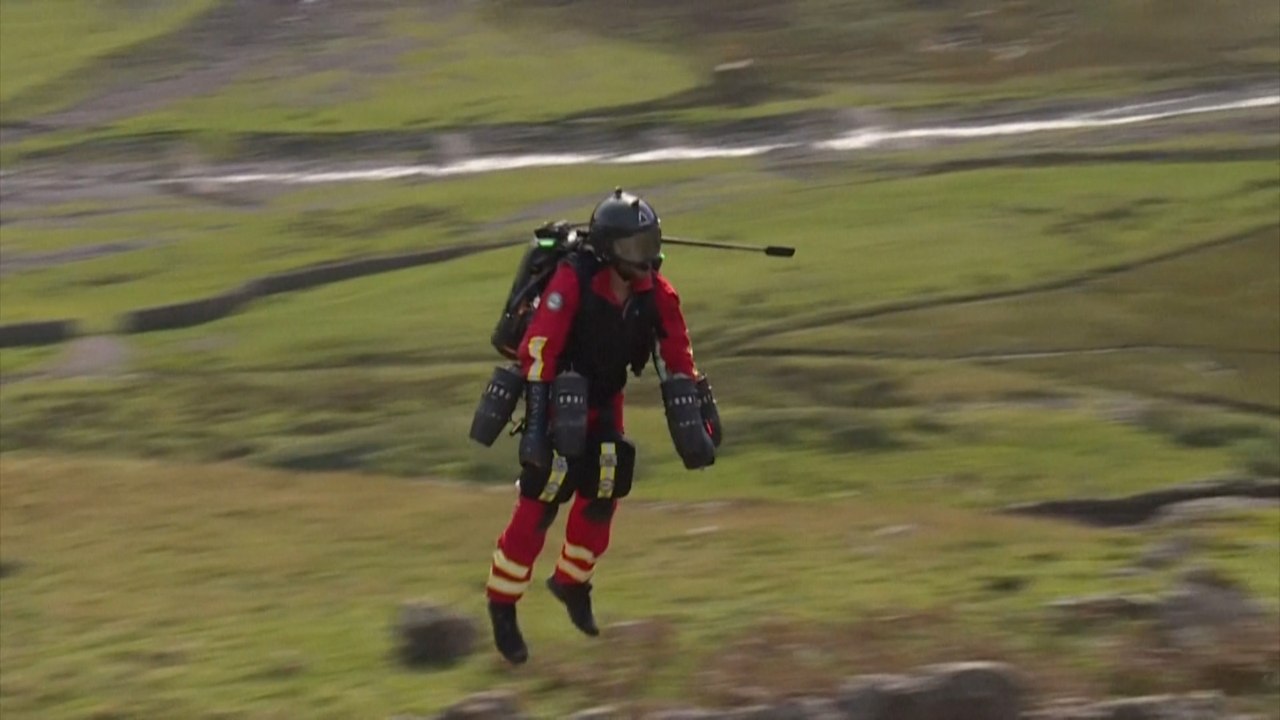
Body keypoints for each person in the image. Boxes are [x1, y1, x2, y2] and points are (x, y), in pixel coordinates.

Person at [483, 188, 720, 665]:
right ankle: (502, 603)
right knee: (541, 502)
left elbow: (678, 355)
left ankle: (572, 582)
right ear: (610, 250)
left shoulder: (658, 295)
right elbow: (538, 349)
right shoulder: (571, 280)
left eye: (650, 244)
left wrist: (701, 411)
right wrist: (535, 430)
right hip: (558, 399)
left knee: (604, 494)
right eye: (635, 247)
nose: (646, 258)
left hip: (608, 400)